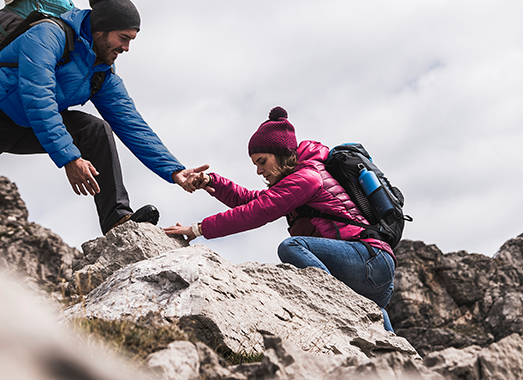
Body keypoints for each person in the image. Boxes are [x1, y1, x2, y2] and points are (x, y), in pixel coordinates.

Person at [0, 0, 205, 247]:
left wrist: (175, 170)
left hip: (35, 125)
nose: (127, 48)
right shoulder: (47, 35)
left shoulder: (101, 72)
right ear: (101, 29)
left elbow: (132, 124)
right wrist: (69, 157)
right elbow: (37, 97)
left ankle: (117, 219)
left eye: (132, 40)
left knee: (96, 130)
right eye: (123, 38)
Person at [164, 107, 396, 332]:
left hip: (370, 259)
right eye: (255, 164)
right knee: (380, 325)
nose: (258, 171)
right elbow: (250, 200)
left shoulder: (307, 178)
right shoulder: (297, 180)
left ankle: (332, 304)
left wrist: (198, 229)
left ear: (281, 153)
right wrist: (211, 181)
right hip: (372, 271)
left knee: (291, 247)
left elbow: (256, 212)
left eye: (262, 161)